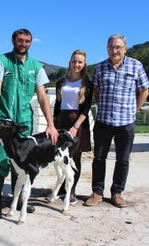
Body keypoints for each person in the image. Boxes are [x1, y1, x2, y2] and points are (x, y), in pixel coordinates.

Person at [0, 28, 59, 219]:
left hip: (25, 122)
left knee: (21, 163)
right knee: (2, 160)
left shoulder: (37, 66)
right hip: (3, 123)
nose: (23, 44)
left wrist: (50, 125)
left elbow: (43, 97)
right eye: (20, 40)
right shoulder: (1, 61)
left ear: (31, 43)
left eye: (27, 41)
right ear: (13, 40)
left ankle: (18, 201)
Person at [84, 34, 149, 208]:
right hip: (103, 121)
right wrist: (102, 107)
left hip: (126, 122)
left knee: (123, 160)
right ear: (107, 48)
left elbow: (144, 90)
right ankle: (97, 192)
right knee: (99, 158)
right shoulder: (99, 68)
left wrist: (135, 109)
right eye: (112, 47)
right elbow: (96, 92)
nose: (115, 50)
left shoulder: (136, 66)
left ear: (125, 49)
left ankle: (117, 193)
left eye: (118, 47)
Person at [53, 49, 93, 205]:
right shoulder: (61, 82)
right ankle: (61, 189)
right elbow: (57, 105)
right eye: (74, 61)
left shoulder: (86, 84)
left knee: (75, 158)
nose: (77, 64)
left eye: (80, 62)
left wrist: (76, 125)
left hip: (78, 122)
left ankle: (72, 190)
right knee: (61, 157)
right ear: (70, 62)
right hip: (61, 120)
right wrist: (54, 125)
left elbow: (86, 108)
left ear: (84, 65)